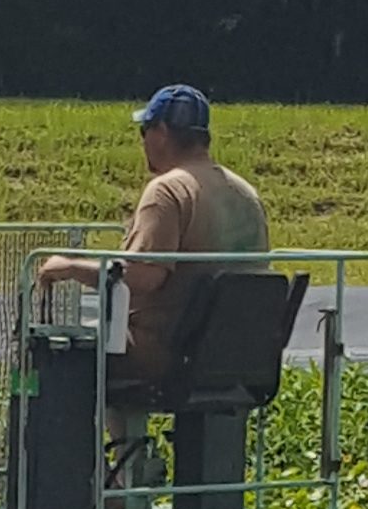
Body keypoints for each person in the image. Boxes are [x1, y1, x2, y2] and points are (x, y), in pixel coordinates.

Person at [107, 84, 268, 383]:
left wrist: (68, 268)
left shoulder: (168, 190)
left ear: (162, 132)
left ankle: (113, 432)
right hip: (238, 356)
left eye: (145, 130)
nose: (142, 141)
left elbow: (144, 277)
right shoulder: (247, 193)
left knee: (60, 351)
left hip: (169, 354)